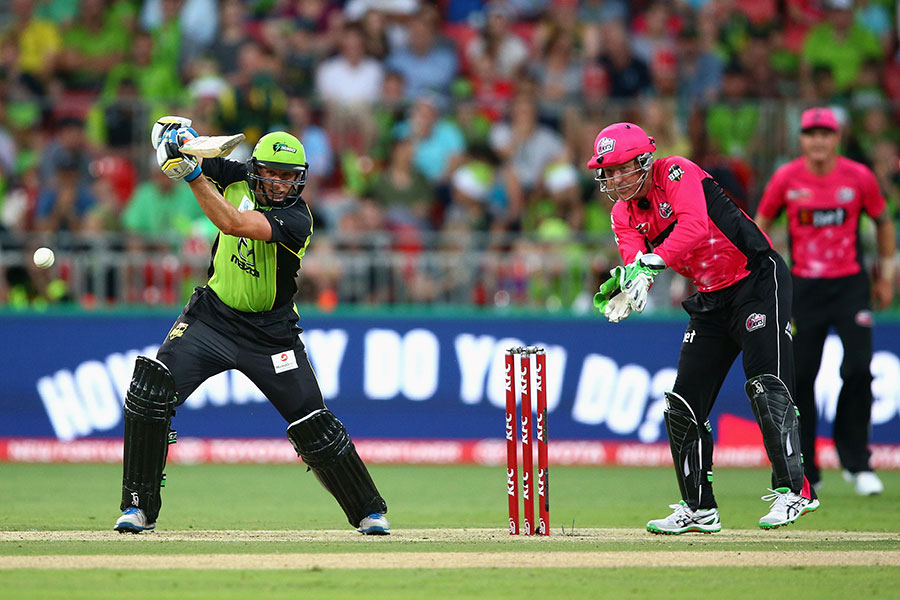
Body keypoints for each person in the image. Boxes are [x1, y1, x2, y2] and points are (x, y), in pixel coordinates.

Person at [113, 117, 389, 535]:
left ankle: (369, 512)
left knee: (314, 423)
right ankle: (138, 508)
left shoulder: (298, 220)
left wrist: (189, 174)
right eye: (270, 174)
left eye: (288, 177)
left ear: (300, 181)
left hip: (270, 334)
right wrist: (175, 139)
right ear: (254, 168)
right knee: (151, 392)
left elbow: (233, 224)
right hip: (211, 319)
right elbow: (186, 159)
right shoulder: (235, 174)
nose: (278, 183)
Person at [589, 122, 818, 534]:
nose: (615, 179)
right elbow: (634, 257)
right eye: (608, 172)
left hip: (756, 280)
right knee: (682, 404)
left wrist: (652, 263)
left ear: (644, 160)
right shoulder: (621, 213)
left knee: (767, 386)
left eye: (622, 168)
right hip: (711, 299)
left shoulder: (675, 171)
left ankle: (795, 490)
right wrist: (632, 280)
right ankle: (698, 508)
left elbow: (694, 227)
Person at [755, 107, 896, 496]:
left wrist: (885, 275)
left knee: (858, 369)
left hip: (850, 285)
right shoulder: (787, 177)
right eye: (810, 134)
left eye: (825, 134)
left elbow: (883, 222)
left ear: (837, 138)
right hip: (803, 289)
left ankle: (856, 463)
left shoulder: (859, 177)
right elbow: (760, 224)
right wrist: (765, 275)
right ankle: (807, 469)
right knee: (800, 379)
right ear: (802, 139)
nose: (818, 141)